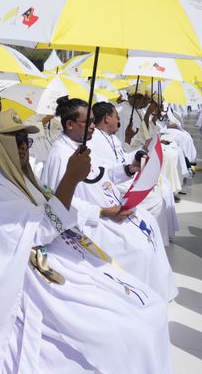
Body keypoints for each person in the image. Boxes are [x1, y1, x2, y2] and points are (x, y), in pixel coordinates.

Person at [0, 110, 172, 374]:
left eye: (26, 139)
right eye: (16, 140)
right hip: (24, 280)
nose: (24, 146)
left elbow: (52, 204)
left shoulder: (17, 177)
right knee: (129, 326)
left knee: (147, 304)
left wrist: (101, 211)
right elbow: (41, 228)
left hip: (54, 255)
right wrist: (71, 178)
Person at [41, 97, 177, 302]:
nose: (94, 127)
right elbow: (60, 203)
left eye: (94, 121)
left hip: (109, 208)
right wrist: (104, 212)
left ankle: (156, 291)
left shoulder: (82, 145)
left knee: (149, 223)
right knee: (137, 248)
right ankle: (137, 298)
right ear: (70, 124)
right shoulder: (60, 155)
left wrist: (130, 168)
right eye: (89, 123)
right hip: (86, 222)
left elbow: (104, 170)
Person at [89, 102, 179, 245]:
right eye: (116, 117)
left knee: (163, 185)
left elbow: (122, 157)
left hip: (124, 174)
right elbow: (107, 170)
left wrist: (139, 152)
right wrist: (129, 168)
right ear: (107, 118)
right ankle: (154, 240)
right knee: (157, 201)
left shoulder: (110, 137)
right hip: (116, 183)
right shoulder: (95, 140)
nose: (118, 121)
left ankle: (161, 235)